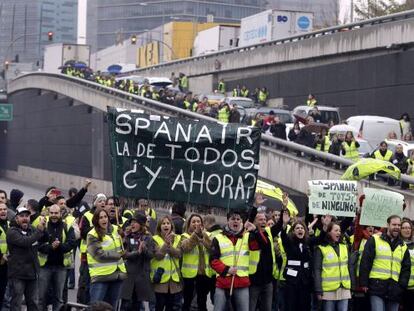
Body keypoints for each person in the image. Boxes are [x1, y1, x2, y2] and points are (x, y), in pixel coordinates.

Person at [359, 215, 411, 311]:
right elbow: (366, 261)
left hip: (395, 289)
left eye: (399, 225)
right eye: (394, 224)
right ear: (387, 225)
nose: (397, 227)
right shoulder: (374, 240)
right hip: (377, 286)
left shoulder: (403, 246)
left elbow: (406, 269)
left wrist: (401, 286)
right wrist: (364, 283)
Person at [209, 209, 256, 311]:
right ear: (228, 221)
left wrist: (255, 231)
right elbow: (212, 260)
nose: (235, 221)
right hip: (223, 283)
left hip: (242, 283)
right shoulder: (218, 238)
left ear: (241, 222)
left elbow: (258, 246)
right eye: (233, 219)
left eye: (238, 219)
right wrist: (227, 270)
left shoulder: (248, 236)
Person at [7, 206, 47, 311]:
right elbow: (26, 242)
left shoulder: (32, 229)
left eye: (27, 216)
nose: (25, 218)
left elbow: (43, 239)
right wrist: (39, 231)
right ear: (16, 219)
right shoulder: (12, 232)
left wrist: (44, 226)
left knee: (33, 303)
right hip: (18, 274)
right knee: (16, 303)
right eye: (22, 216)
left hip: (32, 273)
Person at [37, 204, 76, 311]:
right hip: (45, 266)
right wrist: (51, 247)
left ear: (60, 214)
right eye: (52, 213)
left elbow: (71, 244)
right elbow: (37, 245)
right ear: (49, 213)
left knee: (59, 298)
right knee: (41, 298)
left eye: (56, 213)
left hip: (61, 267)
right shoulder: (43, 225)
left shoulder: (67, 226)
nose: (54, 215)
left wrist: (59, 246)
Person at [87, 208, 126, 308]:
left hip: (117, 275)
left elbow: (122, 248)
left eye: (105, 217)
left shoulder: (115, 229)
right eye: (100, 218)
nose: (104, 219)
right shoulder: (92, 234)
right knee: (96, 307)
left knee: (112, 307)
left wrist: (124, 236)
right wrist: (118, 255)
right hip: (101, 277)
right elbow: (98, 255)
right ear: (96, 220)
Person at [121, 212, 155, 311]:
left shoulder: (148, 238)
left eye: (135, 222)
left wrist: (144, 249)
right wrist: (137, 252)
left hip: (141, 277)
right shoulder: (127, 236)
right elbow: (124, 254)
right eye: (131, 222)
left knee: (137, 305)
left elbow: (151, 255)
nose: (132, 224)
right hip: (128, 276)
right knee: (125, 304)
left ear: (141, 225)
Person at [314, 222, 351, 311]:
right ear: (329, 232)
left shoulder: (344, 247)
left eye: (340, 231)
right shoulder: (321, 248)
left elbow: (349, 267)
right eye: (336, 230)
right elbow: (317, 270)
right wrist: (318, 289)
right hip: (328, 290)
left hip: (344, 288)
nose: (338, 232)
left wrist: (351, 286)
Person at [180, 214, 212, 311]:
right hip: (189, 274)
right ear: (188, 224)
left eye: (198, 221)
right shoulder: (184, 236)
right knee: (187, 301)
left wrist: (203, 236)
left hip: (203, 273)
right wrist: (195, 235)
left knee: (202, 302)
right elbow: (186, 248)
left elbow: (212, 248)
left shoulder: (208, 235)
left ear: (202, 224)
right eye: (193, 222)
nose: (196, 224)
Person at [150, 215, 183, 311]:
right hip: (160, 281)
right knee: (158, 307)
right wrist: (166, 244)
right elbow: (158, 255)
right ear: (159, 227)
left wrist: (170, 246)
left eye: (168, 223)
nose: (166, 225)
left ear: (171, 226)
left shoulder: (177, 238)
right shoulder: (154, 239)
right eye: (163, 223)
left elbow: (179, 254)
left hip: (173, 282)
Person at [400, 219, 414, 310]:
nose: (407, 230)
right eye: (404, 228)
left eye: (409, 228)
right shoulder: (396, 244)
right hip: (400, 287)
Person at [0, 203, 9, 310]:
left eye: (4, 209)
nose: (3, 211)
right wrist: (1, 256)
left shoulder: (9, 224)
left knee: (3, 293)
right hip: (1, 260)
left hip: (6, 265)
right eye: (0, 209)